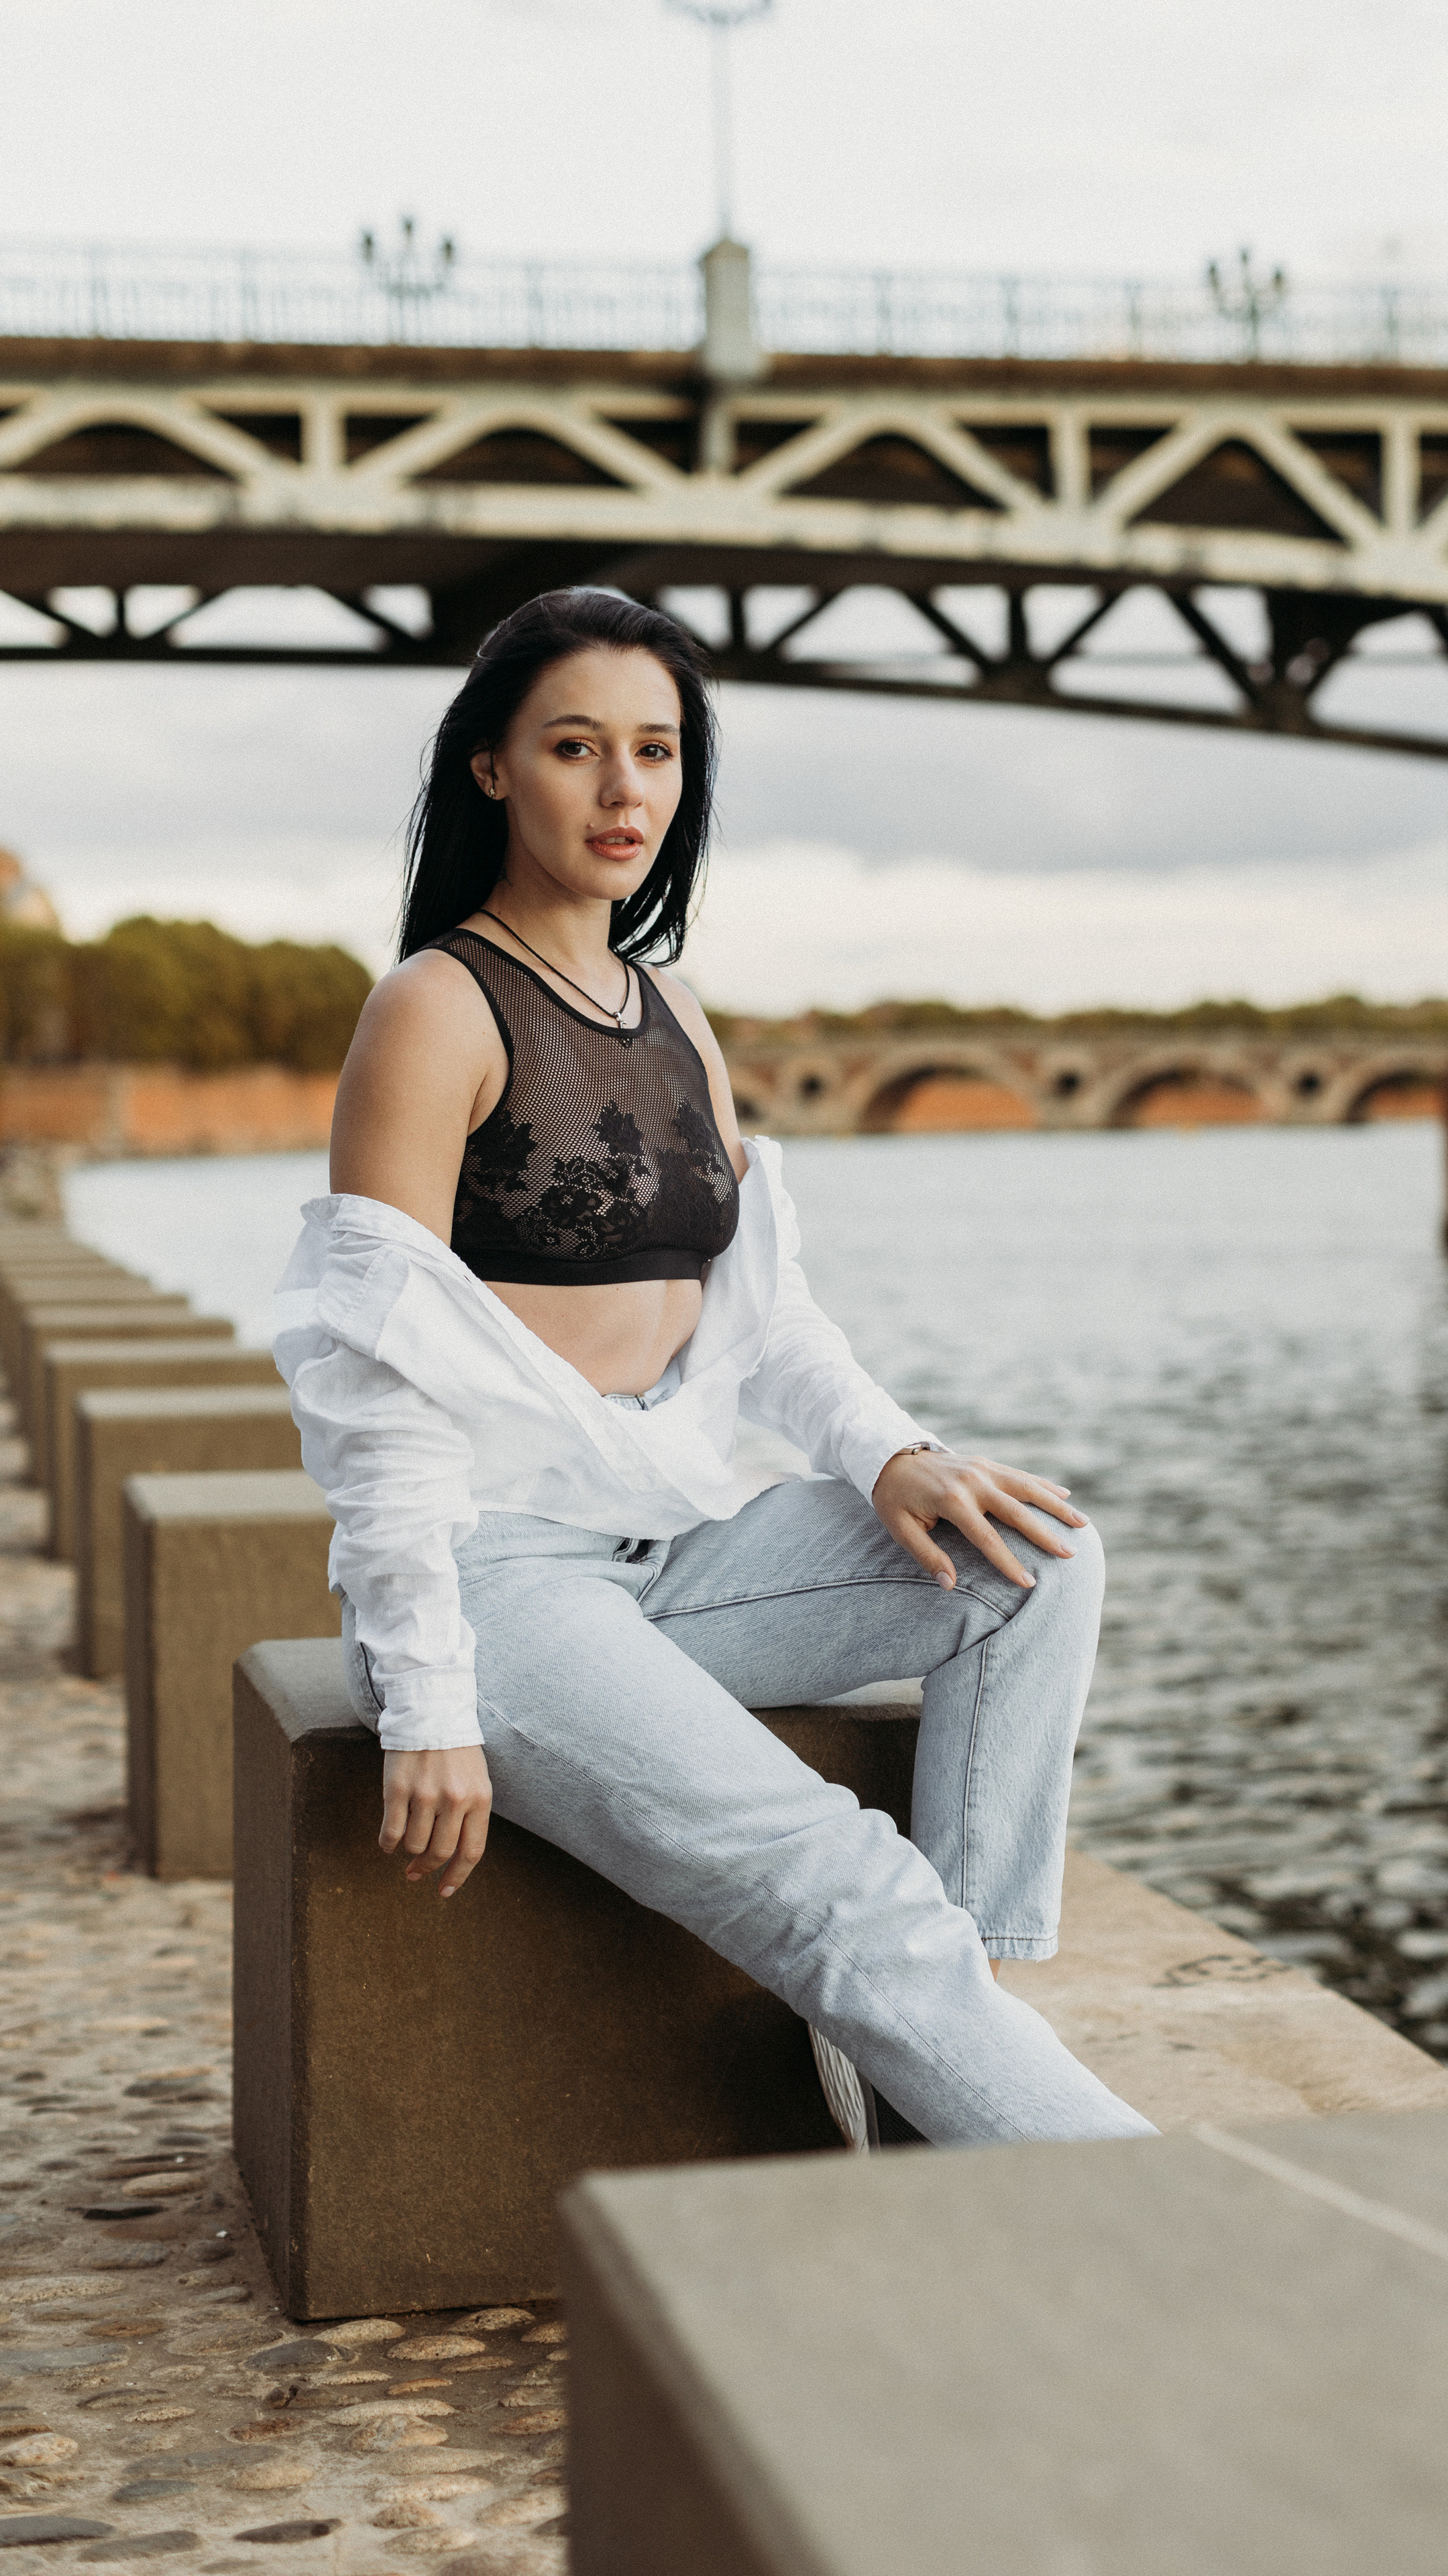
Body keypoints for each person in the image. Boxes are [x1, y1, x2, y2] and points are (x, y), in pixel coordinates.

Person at [274, 586, 1155, 2151]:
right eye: (575, 748)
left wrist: (893, 1456)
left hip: (670, 1546)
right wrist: (423, 1698)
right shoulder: (434, 1009)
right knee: (842, 1883)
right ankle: (1159, 2228)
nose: (624, 792)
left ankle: (940, 2039)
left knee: (1032, 1559)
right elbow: (370, 1381)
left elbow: (766, 1314)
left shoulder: (672, 1007)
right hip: (495, 1585)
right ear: (491, 768)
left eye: (657, 752)